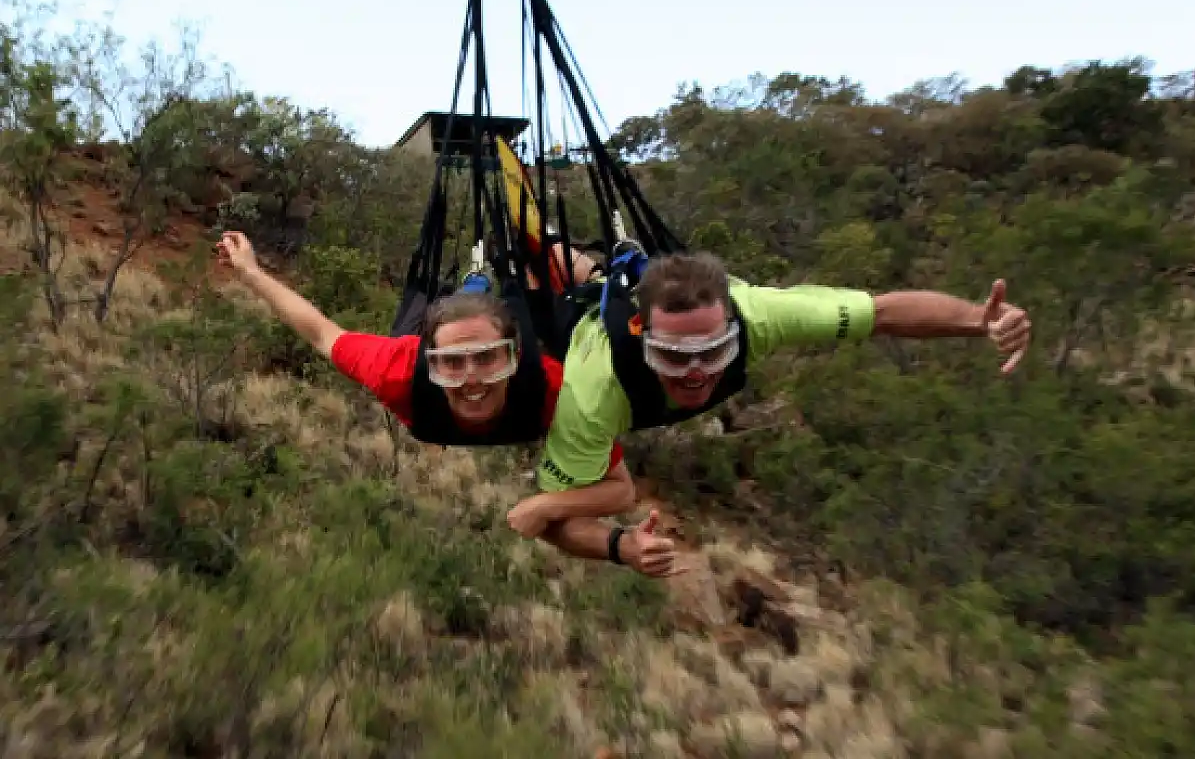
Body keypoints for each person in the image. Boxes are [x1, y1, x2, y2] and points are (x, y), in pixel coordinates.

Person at [508, 249, 1033, 571]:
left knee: (589, 267)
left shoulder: (762, 314)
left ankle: (576, 257)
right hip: (579, 332)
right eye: (672, 357)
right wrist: (620, 547)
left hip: (647, 329)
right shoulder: (594, 388)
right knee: (560, 285)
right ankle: (551, 254)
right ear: (643, 339)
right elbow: (555, 515)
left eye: (713, 353)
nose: (695, 373)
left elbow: (884, 312)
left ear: (735, 328)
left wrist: (975, 321)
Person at [214, 230, 676, 576]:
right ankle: (497, 274)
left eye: (488, 360)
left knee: (575, 285)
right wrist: (251, 272)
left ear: (513, 359)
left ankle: (554, 253)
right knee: (512, 294)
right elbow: (320, 331)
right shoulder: (399, 371)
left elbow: (621, 489)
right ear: (429, 362)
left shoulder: (555, 389)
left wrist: (546, 507)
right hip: (467, 354)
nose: (472, 380)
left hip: (544, 344)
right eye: (452, 364)